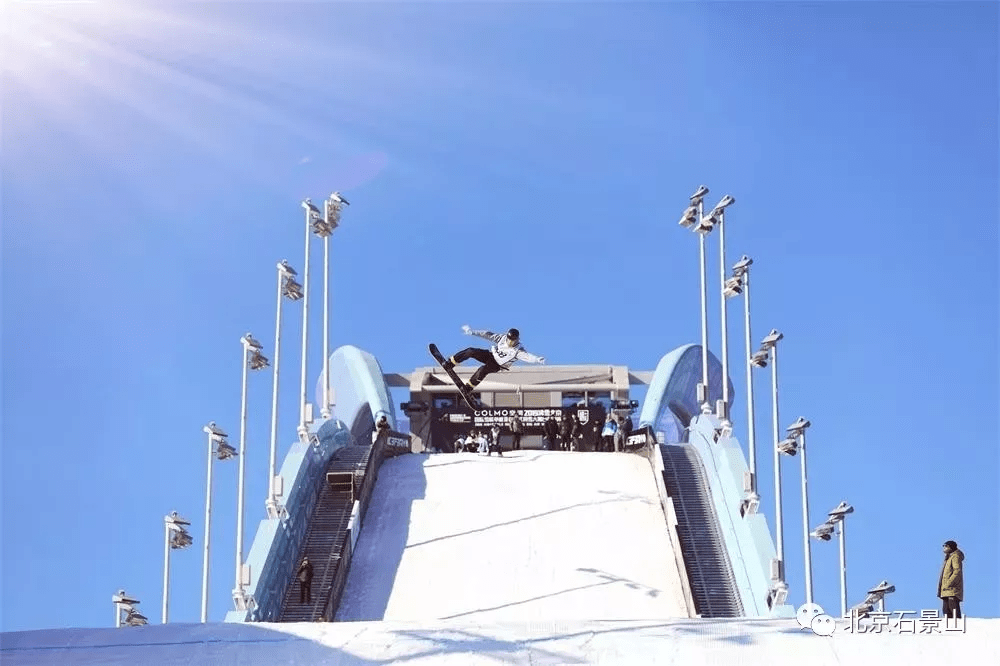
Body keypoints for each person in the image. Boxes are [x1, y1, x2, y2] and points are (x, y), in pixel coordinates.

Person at [440, 325, 545, 393]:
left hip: (498, 365)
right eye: (509, 340)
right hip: (491, 355)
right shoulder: (502, 338)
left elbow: (528, 357)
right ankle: (451, 362)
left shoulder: (518, 350)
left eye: (513, 341)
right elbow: (487, 334)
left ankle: (469, 387)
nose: (510, 342)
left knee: (483, 370)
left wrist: (537, 359)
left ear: (517, 339)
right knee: (471, 351)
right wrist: (472, 332)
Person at [938, 540, 965, 619]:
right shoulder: (948, 557)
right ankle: (950, 629)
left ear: (950, 547)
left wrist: (949, 583)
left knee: (953, 610)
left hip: (952, 589)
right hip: (946, 589)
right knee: (946, 611)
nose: (944, 548)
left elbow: (957, 571)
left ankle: (958, 627)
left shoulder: (955, 556)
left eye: (945, 546)